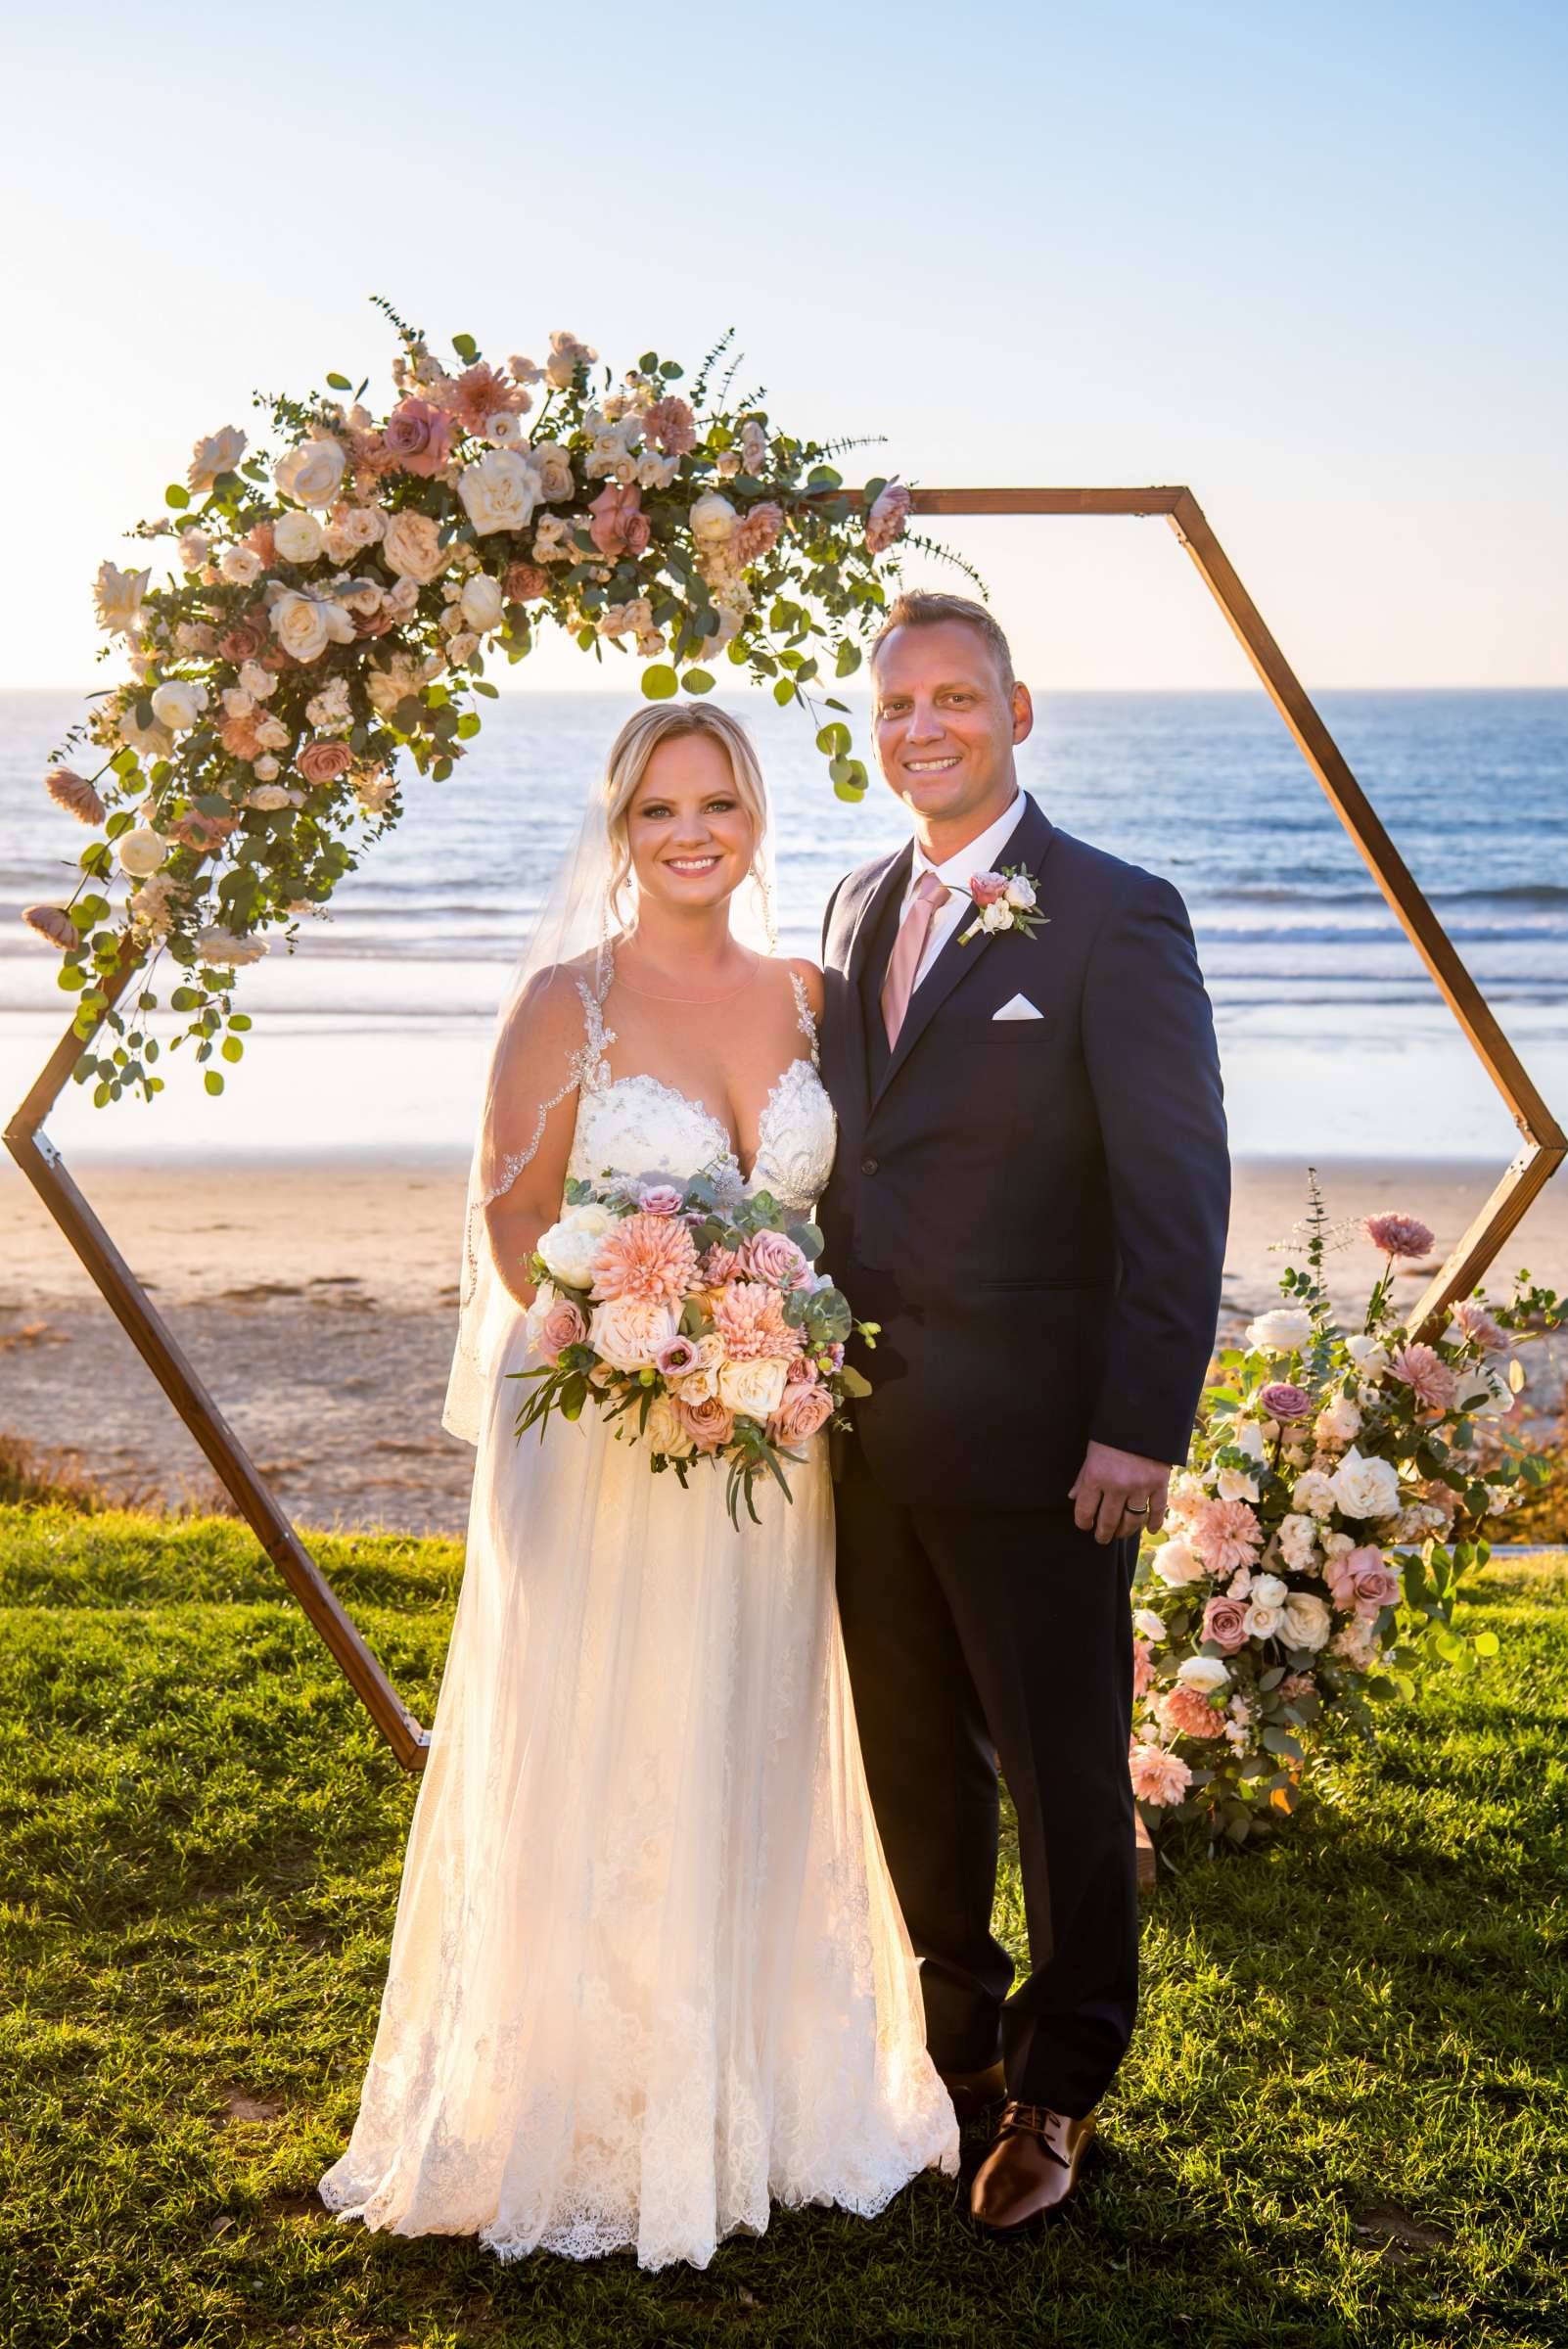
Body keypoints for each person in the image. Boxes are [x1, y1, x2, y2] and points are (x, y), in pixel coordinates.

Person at [317, 704, 957, 2273]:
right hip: (604, 1445)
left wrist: (753, 1350)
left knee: (743, 1736)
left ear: (752, 817)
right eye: (662, 805)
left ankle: (745, 2091)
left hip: (769, 1444)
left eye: (720, 800)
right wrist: (640, 1341)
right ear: (618, 825)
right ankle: (585, 2095)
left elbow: (846, 1218)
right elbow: (514, 1223)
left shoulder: (814, 1000)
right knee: (606, 1737)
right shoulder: (564, 1005)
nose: (693, 829)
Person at [818, 591, 1229, 2233]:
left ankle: (1059, 2090)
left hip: (1050, 1449)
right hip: (858, 1437)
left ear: (1017, 711)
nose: (923, 727)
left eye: (954, 700)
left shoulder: (1114, 915)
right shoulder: (855, 902)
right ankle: (960, 2064)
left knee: (1064, 1784)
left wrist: (1138, 1424)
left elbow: (1177, 1192)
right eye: (897, 703)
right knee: (911, 1768)